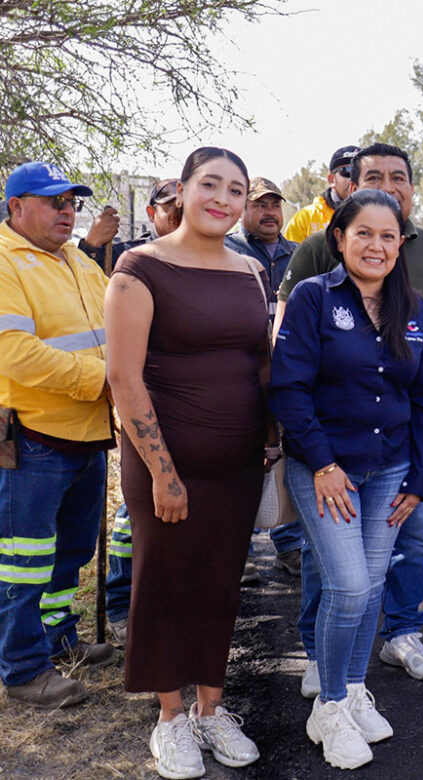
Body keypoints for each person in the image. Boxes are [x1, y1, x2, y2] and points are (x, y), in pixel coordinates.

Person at [106, 147, 267, 776]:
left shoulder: (250, 271)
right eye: (210, 185)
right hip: (164, 462)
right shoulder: (139, 267)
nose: (222, 199)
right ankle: (170, 718)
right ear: (185, 189)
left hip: (238, 460)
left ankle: (211, 709)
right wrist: (164, 475)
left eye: (235, 189)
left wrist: (273, 440)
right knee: (166, 584)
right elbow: (123, 377)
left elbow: (260, 360)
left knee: (220, 585)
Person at [271, 188, 423, 769]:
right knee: (346, 586)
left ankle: (354, 687)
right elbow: (288, 389)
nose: (376, 245)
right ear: (337, 239)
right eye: (363, 233)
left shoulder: (413, 307)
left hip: (391, 469)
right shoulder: (313, 299)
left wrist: (419, 481)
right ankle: (331, 704)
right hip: (326, 470)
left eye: (388, 235)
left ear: (401, 243)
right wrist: (322, 464)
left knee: (369, 586)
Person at [0, 162, 117, 709]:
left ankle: (57, 636)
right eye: (54, 202)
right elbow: (16, 354)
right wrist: (104, 381)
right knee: (24, 558)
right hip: (32, 438)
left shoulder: (78, 260)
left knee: (68, 550)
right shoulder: (4, 262)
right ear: (16, 207)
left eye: (72, 201)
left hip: (86, 434)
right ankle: (23, 668)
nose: (67, 211)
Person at [105, 179, 184, 645]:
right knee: (131, 520)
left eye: (182, 206)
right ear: (152, 213)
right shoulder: (134, 261)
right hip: (143, 413)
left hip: (190, 415)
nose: (176, 215)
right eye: (168, 208)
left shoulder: (208, 259)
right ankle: (121, 607)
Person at [225, 177, 305, 577]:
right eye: (261, 205)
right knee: (242, 459)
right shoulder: (227, 250)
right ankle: (237, 551)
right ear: (243, 209)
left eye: (276, 205)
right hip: (240, 372)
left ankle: (289, 545)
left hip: (289, 371)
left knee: (289, 458)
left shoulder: (298, 254)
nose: (270, 212)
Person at [78, 178, 182, 269]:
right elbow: (81, 277)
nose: (178, 214)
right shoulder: (127, 255)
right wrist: (91, 244)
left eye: (183, 208)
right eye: (170, 207)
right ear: (151, 213)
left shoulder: (197, 257)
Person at [284, 145, 359, 244]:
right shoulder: (305, 219)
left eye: (359, 172)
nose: (354, 179)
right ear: (331, 180)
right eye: (347, 171)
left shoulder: (380, 216)